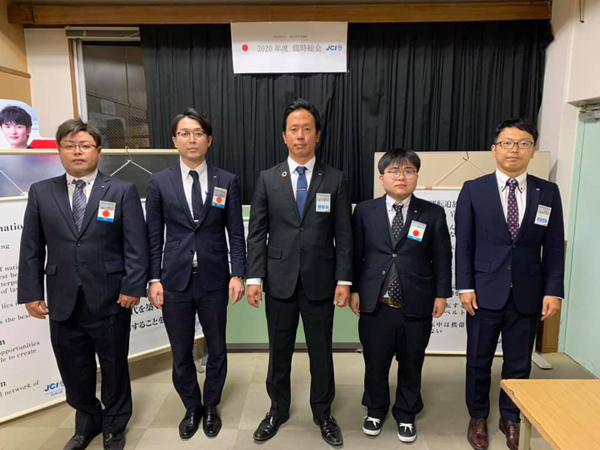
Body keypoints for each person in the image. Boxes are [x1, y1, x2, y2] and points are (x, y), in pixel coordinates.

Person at [17, 119, 148, 450]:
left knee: (114, 366)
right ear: (59, 151)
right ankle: (87, 420)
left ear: (98, 151)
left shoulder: (120, 191)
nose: (77, 151)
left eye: (85, 145)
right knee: (73, 368)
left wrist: (133, 286)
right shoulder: (41, 192)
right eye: (70, 145)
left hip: (111, 296)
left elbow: (136, 245)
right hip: (62, 298)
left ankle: (115, 425)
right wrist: (31, 292)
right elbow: (31, 247)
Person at [246, 99, 353, 446]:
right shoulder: (267, 178)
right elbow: (256, 232)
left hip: (321, 281)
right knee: (279, 352)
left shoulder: (335, 178)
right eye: (294, 129)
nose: (301, 135)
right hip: (279, 281)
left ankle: (323, 413)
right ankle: (277, 410)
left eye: (307, 129)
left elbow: (344, 235)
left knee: (321, 353)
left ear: (318, 135)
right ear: (284, 135)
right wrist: (253, 278)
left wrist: (344, 279)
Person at [455, 118, 564, 450]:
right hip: (483, 291)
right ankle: (477, 416)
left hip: (528, 292)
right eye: (507, 143)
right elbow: (465, 243)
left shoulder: (548, 192)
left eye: (523, 143)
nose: (514, 149)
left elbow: (554, 246)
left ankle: (511, 417)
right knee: (479, 359)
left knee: (518, 362)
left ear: (533, 150)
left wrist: (553, 290)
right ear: (494, 149)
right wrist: (465, 286)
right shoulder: (474, 189)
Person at [145, 107, 246, 440]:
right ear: (175, 140)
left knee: (217, 347)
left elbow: (235, 231)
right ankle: (191, 405)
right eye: (185, 133)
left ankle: (211, 404)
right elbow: (153, 235)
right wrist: (153, 278)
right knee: (180, 349)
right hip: (174, 280)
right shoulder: (159, 182)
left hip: (214, 278)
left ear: (209, 140)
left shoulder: (226, 181)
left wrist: (238, 273)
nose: (192, 139)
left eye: (198, 133)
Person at [350, 148, 452, 443]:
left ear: (416, 176)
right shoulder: (365, 211)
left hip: (416, 301)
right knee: (375, 361)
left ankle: (406, 412)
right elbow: (355, 254)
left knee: (412, 361)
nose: (401, 176)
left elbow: (442, 257)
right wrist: (354, 289)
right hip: (375, 302)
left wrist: (442, 294)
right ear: (381, 177)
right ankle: (375, 408)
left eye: (409, 170)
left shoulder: (432, 213)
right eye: (393, 171)